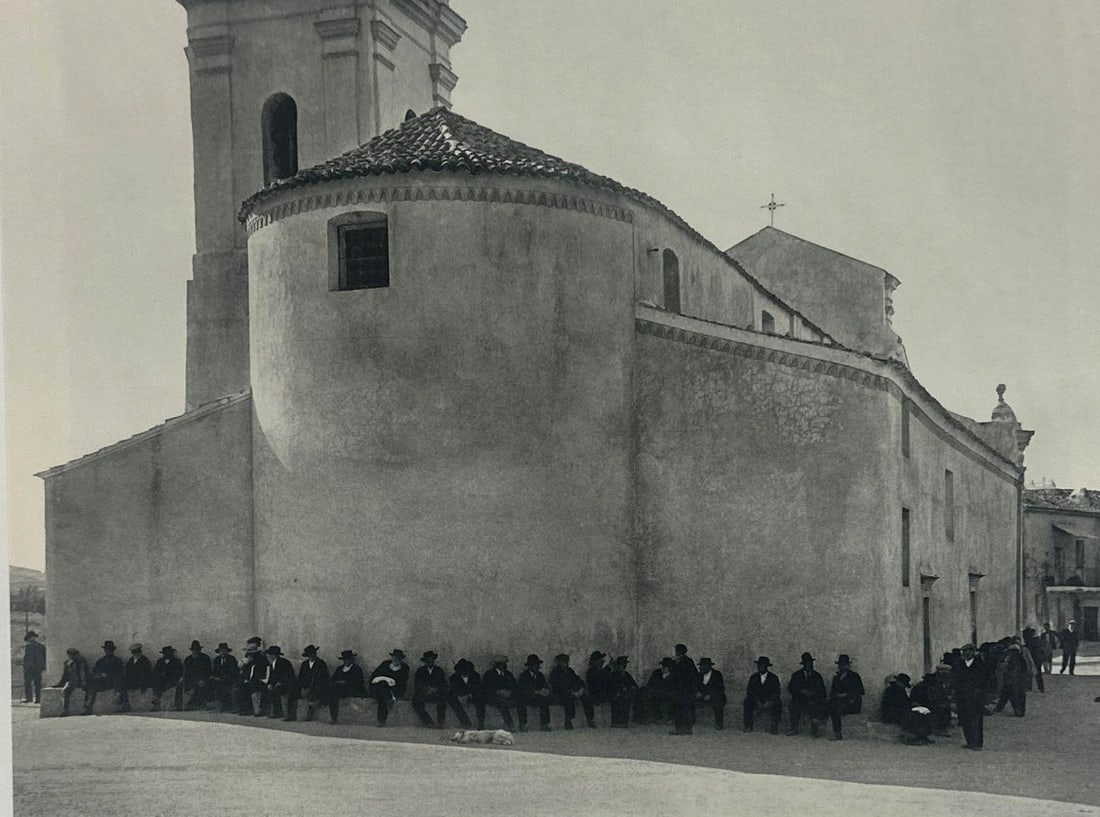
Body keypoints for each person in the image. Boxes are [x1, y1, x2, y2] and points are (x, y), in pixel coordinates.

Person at [787, 652, 828, 737]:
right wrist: (801, 692)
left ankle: (814, 730)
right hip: (800, 699)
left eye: (810, 663)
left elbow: (823, 692)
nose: (809, 665)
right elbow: (790, 688)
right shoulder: (796, 675)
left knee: (818, 707)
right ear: (804, 664)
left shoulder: (817, 676)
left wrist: (813, 693)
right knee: (793, 705)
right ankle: (794, 728)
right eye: (807, 663)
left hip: (814, 700)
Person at [953, 644, 986, 750]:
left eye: (967, 651)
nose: (965, 654)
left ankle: (977, 743)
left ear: (973, 652)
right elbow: (956, 680)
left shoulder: (980, 665)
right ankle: (969, 741)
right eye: (963, 652)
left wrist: (979, 692)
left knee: (976, 720)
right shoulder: (959, 664)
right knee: (965, 719)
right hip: (962, 697)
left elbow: (983, 681)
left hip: (976, 697)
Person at [549, 653, 594, 729]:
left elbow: (578, 680)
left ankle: (590, 719)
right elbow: (557, 686)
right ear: (559, 662)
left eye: (566, 661)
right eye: (563, 661)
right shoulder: (555, 672)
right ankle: (568, 720)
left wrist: (580, 687)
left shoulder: (570, 671)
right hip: (562, 693)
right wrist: (570, 690)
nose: (566, 663)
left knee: (586, 698)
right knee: (568, 699)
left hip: (574, 691)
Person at [827, 654, 864, 741]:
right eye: (840, 665)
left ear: (848, 665)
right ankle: (822, 721)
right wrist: (837, 695)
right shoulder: (836, 678)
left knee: (836, 708)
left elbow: (860, 691)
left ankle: (837, 733)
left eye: (844, 665)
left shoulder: (854, 677)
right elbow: (832, 692)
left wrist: (846, 694)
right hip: (838, 701)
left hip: (852, 702)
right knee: (831, 703)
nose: (842, 667)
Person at [368, 649, 409, 726]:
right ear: (392, 657)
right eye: (395, 657)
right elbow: (374, 677)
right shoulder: (385, 664)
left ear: (401, 659)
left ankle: (381, 720)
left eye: (398, 658)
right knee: (383, 692)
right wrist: (385, 679)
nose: (396, 659)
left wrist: (391, 682)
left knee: (383, 696)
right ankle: (381, 720)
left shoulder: (404, 668)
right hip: (381, 689)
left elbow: (402, 682)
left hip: (395, 689)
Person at [83, 640, 124, 714]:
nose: (107, 651)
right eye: (106, 649)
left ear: (112, 650)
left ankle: (119, 700)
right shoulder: (100, 661)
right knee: (91, 684)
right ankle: (88, 707)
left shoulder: (117, 661)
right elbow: (95, 671)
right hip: (103, 682)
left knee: (119, 680)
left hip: (113, 682)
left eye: (109, 649)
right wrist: (99, 674)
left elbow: (120, 673)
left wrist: (108, 675)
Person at [743, 656, 782, 734]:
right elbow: (750, 691)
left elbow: (777, 691)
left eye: (763, 665)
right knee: (747, 702)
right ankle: (748, 725)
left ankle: (774, 726)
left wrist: (769, 701)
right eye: (759, 665)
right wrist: (757, 701)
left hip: (769, 700)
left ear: (767, 666)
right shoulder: (753, 677)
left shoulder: (773, 678)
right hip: (757, 700)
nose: (760, 667)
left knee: (778, 703)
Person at [290, 645, 328, 722]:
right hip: (305, 686)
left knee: (315, 693)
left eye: (313, 654)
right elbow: (301, 677)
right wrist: (302, 688)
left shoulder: (321, 663)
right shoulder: (304, 664)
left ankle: (310, 713)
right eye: (309, 655)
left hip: (317, 686)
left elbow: (324, 679)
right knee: (293, 691)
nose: (311, 656)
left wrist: (311, 687)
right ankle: (293, 714)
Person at [411, 650, 449, 728]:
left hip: (437, 693)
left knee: (443, 699)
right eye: (427, 660)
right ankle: (428, 721)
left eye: (431, 659)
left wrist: (436, 689)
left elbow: (443, 683)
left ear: (433, 660)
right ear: (425, 661)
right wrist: (426, 689)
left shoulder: (439, 670)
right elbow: (417, 683)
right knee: (415, 700)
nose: (430, 662)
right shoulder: (420, 671)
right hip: (424, 693)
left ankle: (440, 722)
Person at [328, 649, 366, 724]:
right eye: (345, 659)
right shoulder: (339, 669)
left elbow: (359, 682)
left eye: (348, 659)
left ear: (352, 659)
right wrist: (338, 682)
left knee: (334, 691)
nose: (346, 661)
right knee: (332, 692)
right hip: (339, 689)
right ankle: (334, 718)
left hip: (352, 689)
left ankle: (321, 702)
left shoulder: (357, 669)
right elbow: (333, 679)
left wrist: (345, 683)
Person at [516, 654, 552, 732]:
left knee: (545, 701)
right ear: (530, 666)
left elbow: (544, 685)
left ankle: (545, 724)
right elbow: (523, 689)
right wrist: (537, 692)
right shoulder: (524, 676)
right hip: (526, 697)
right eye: (536, 665)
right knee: (520, 703)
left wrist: (545, 690)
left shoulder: (540, 675)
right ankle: (523, 724)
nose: (538, 667)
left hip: (537, 697)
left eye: (538, 665)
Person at [910, 669, 951, 736]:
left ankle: (941, 728)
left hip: (930, 705)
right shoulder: (919, 688)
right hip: (920, 705)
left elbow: (937, 698)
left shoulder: (933, 688)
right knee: (940, 710)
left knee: (945, 708)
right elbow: (914, 699)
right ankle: (938, 729)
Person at [993, 642, 1030, 717]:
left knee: (1014, 696)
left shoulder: (1013, 659)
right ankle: (1000, 708)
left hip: (1013, 681)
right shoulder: (1019, 659)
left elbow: (1012, 671)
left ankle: (1018, 711)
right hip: (1016, 681)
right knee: (1008, 695)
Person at [448, 658, 486, 730]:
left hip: (472, 696)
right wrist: (459, 696)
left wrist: (469, 695)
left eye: (466, 670)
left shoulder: (475, 676)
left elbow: (478, 688)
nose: (465, 672)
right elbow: (453, 689)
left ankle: (481, 722)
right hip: (460, 697)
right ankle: (465, 721)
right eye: (462, 670)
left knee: (480, 698)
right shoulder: (454, 677)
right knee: (451, 699)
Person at [483, 654, 518, 730]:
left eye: (504, 663)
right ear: (496, 664)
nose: (503, 665)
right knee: (502, 703)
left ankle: (521, 724)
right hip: (493, 697)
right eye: (501, 664)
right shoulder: (489, 674)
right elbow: (487, 687)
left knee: (518, 700)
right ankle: (509, 724)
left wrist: (509, 692)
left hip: (508, 696)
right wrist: (498, 692)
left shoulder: (508, 674)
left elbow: (514, 686)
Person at [670, 644, 698, 736]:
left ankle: (685, 728)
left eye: (678, 650)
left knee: (684, 709)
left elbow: (692, 676)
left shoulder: (687, 662)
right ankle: (681, 728)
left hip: (685, 689)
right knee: (679, 709)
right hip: (679, 689)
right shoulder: (678, 662)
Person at [638, 658, 676, 725]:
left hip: (669, 695)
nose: (663, 668)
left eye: (666, 666)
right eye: (663, 666)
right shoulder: (657, 673)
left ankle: (669, 718)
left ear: (670, 667)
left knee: (668, 702)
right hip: (656, 694)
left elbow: (674, 687)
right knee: (647, 698)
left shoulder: (674, 675)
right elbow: (650, 684)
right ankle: (653, 718)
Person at [54, 647, 90, 716]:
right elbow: (65, 675)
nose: (72, 656)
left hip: (82, 681)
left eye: (74, 654)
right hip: (73, 682)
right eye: (71, 655)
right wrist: (60, 684)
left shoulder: (82, 662)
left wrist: (85, 681)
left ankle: (87, 709)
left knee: (89, 690)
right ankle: (65, 710)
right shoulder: (68, 663)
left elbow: (85, 673)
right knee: (66, 690)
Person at [118, 643, 152, 713]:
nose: (136, 654)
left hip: (141, 682)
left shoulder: (145, 660)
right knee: (121, 682)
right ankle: (125, 703)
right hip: (132, 681)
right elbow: (127, 671)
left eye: (137, 652)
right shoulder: (131, 660)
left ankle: (125, 703)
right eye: (134, 652)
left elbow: (147, 673)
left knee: (123, 684)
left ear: (140, 652)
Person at [265, 646, 296, 719]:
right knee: (269, 690)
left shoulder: (284, 663)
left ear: (274, 655)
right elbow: (272, 676)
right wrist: (269, 684)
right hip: (277, 684)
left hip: (287, 684)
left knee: (283, 693)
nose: (268, 656)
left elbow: (288, 675)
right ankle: (274, 712)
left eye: (270, 654)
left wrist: (280, 682)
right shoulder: (272, 664)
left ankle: (287, 714)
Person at [696, 657, 726, 730]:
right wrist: (697, 692)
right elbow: (695, 685)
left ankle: (719, 723)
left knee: (718, 704)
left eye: (704, 666)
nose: (701, 668)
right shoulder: (698, 675)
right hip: (702, 695)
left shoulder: (717, 674)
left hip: (716, 695)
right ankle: (690, 722)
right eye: (701, 666)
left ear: (709, 666)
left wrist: (711, 695)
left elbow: (719, 688)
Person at [607, 655, 638, 728]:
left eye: (625, 665)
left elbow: (634, 685)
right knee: (621, 699)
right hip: (616, 694)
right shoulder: (613, 675)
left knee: (629, 697)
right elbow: (611, 686)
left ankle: (625, 720)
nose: (624, 666)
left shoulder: (626, 674)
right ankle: (617, 721)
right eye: (622, 664)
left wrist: (631, 688)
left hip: (626, 694)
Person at [240, 643, 270, 716]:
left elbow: (261, 674)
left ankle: (257, 710)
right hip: (251, 681)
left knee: (254, 689)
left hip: (259, 681)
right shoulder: (250, 662)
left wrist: (252, 680)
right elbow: (246, 672)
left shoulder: (260, 661)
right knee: (242, 687)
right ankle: (246, 709)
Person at [151, 646, 184, 711]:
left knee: (177, 686)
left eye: (169, 653)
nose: (167, 654)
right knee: (156, 685)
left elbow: (180, 672)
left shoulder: (176, 662)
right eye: (165, 653)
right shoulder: (160, 662)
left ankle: (176, 706)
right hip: (161, 682)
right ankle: (156, 704)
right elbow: (155, 673)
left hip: (173, 681)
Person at [183, 640, 213, 711]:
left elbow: (209, 672)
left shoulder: (205, 658)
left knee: (204, 686)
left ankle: (200, 704)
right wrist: (195, 681)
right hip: (191, 681)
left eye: (197, 650)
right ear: (191, 650)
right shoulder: (188, 659)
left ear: (200, 650)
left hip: (203, 680)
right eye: (193, 650)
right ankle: (191, 704)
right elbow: (186, 673)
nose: (195, 651)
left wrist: (203, 680)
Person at [210, 643, 239, 712]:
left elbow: (232, 672)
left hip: (230, 681)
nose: (222, 652)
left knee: (231, 689)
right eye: (221, 651)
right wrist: (214, 677)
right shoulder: (217, 660)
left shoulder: (232, 659)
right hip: (219, 681)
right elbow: (214, 671)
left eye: (224, 650)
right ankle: (220, 705)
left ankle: (233, 707)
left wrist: (222, 679)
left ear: (227, 651)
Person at [22, 631, 46, 704]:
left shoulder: (28, 646)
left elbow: (27, 658)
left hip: (30, 668)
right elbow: (44, 658)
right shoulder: (42, 647)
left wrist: (25, 666)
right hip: (38, 668)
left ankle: (29, 698)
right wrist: (43, 667)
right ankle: (38, 699)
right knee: (37, 684)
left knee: (28, 683)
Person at [1022, 628, 1045, 692]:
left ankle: (1030, 687)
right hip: (1036, 659)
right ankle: (1040, 687)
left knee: (1032, 672)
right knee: (1036, 673)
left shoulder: (1032, 642)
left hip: (1034, 659)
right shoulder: (1037, 641)